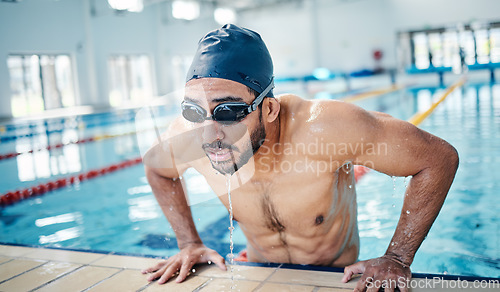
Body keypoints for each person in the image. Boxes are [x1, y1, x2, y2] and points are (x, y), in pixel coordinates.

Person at [140, 24, 459, 291]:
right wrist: (189, 243)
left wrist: (398, 257)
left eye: (229, 111)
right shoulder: (191, 134)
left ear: (269, 109)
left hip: (338, 279)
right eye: (194, 111)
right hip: (262, 274)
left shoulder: (326, 129)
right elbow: (157, 170)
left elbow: (438, 159)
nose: (210, 133)